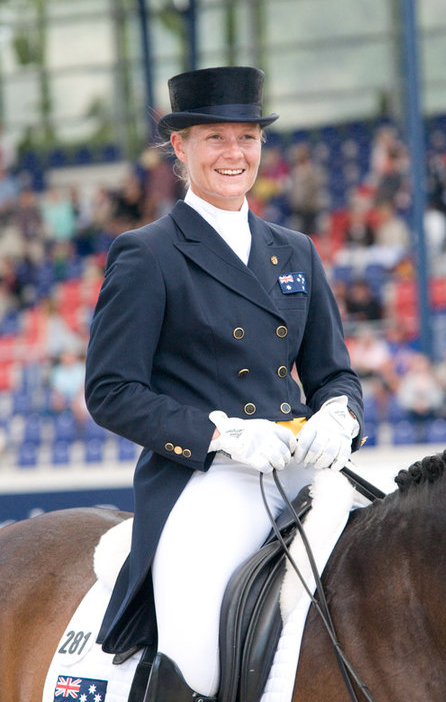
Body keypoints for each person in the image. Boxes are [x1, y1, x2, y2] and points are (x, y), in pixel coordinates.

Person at [85, 66, 364, 701]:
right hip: (208, 480)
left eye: (247, 137)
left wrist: (340, 414)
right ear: (179, 148)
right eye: (215, 138)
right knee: (197, 663)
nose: (235, 154)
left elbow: (334, 373)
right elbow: (110, 390)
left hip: (300, 467)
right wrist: (220, 436)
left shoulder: (295, 250)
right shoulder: (148, 253)